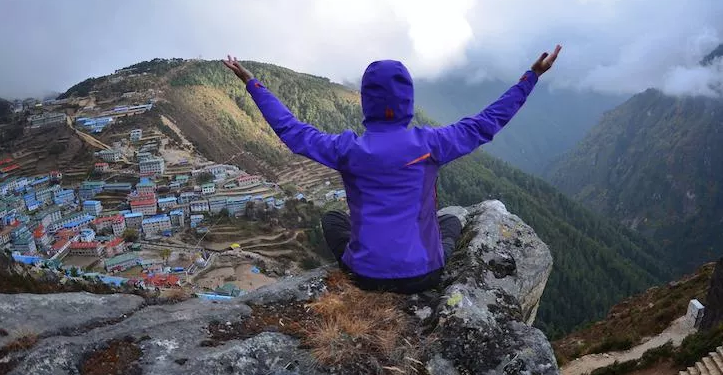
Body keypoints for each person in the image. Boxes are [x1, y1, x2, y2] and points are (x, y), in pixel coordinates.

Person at [222, 45, 561, 294]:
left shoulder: (347, 149)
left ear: (367, 102)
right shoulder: (431, 144)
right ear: (408, 101)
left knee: (332, 220)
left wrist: (253, 84)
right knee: (452, 221)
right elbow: (487, 122)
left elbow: (293, 131)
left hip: (365, 276)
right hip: (424, 274)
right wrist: (530, 77)